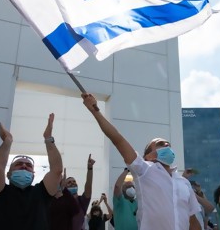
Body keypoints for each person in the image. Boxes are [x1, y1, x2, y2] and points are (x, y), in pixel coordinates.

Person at [81, 93, 202, 230]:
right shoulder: (144, 169)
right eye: (161, 144)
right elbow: (118, 139)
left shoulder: (184, 183)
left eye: (168, 144)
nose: (167, 146)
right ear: (148, 156)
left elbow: (192, 221)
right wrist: (95, 111)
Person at [0, 113, 63, 230]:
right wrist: (7, 141)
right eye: (18, 164)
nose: (24, 166)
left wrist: (48, 138)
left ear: (33, 175)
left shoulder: (41, 192)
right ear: (8, 174)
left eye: (28, 165)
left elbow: (57, 170)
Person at [49, 154, 95, 230]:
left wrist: (90, 168)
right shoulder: (59, 201)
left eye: (74, 181)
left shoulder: (82, 201)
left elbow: (88, 185)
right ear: (64, 186)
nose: (73, 183)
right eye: (69, 182)